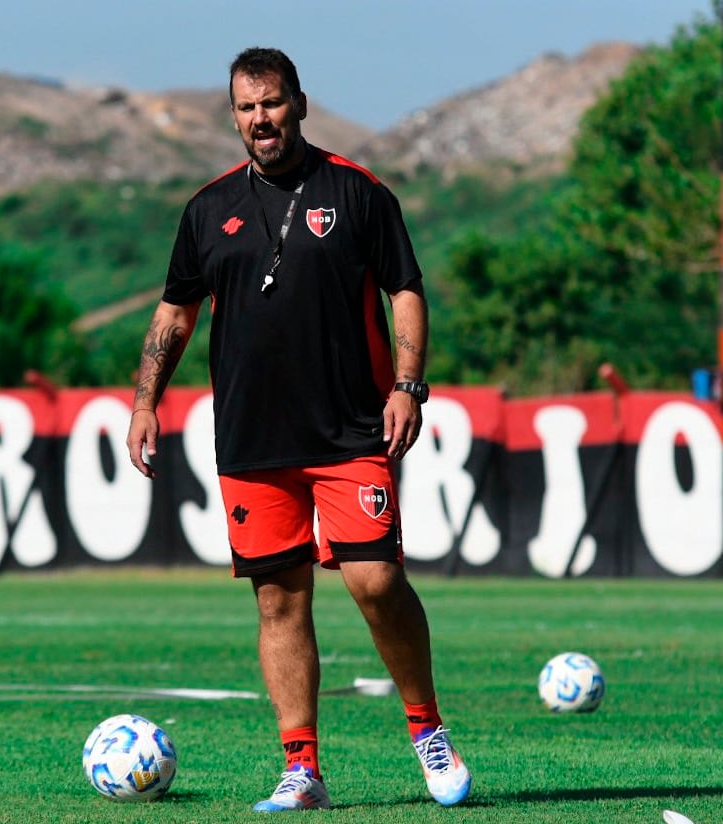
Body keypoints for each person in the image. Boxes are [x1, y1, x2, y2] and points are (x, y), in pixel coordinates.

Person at [125, 46, 470, 812]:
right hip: (251, 438)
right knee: (279, 601)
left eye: (273, 103)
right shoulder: (207, 210)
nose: (261, 119)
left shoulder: (357, 192)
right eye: (247, 108)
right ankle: (302, 768)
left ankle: (428, 732)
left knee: (376, 583)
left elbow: (404, 289)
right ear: (234, 116)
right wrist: (147, 399)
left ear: (300, 104)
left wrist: (409, 384)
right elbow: (174, 311)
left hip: (350, 429)